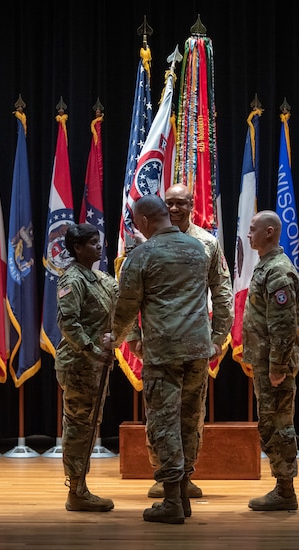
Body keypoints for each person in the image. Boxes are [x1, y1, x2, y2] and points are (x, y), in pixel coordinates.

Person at [111, 194, 221, 524]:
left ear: (144, 221)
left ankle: (172, 499)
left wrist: (111, 341)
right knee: (190, 420)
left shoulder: (143, 254)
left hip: (164, 353)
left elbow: (126, 308)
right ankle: (184, 491)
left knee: (164, 423)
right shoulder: (197, 249)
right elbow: (216, 292)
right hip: (198, 350)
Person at [140, 183, 234, 501]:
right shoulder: (148, 244)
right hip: (159, 344)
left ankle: (185, 476)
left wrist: (220, 336)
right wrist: (133, 337)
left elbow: (222, 292)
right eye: (170, 203)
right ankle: (166, 474)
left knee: (191, 413)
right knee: (159, 413)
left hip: (194, 345)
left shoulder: (207, 243)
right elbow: (130, 295)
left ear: (193, 205)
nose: (175, 208)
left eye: (181, 203)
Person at [242, 210, 299, 511]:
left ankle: (285, 490)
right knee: (270, 424)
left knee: (278, 426)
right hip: (267, 361)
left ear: (269, 232)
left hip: (274, 365)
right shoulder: (266, 267)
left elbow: (281, 325)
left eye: (253, 229)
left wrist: (278, 367)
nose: (248, 233)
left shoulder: (278, 270)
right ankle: (282, 487)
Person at [54, 223, 118, 513]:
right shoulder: (72, 279)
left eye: (98, 242)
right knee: (79, 428)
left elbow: (123, 291)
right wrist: (94, 352)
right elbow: (68, 324)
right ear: (77, 248)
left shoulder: (99, 278)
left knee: (89, 426)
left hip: (95, 367)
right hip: (79, 365)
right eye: (91, 243)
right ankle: (75, 490)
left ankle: (80, 486)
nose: (98, 247)